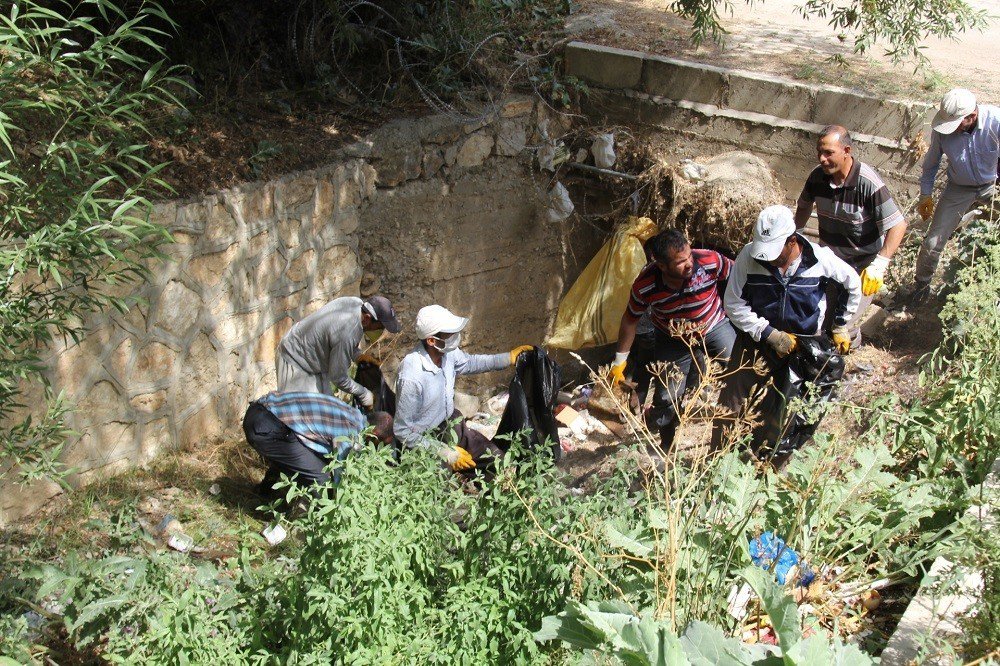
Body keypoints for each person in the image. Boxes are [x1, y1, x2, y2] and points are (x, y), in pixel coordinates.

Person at [713, 205, 861, 457]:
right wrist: (769, 333)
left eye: (774, 252)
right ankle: (716, 458)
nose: (767, 258)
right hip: (758, 340)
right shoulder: (749, 257)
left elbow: (852, 283)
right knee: (731, 403)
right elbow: (733, 303)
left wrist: (839, 325)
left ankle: (764, 464)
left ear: (792, 241)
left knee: (786, 408)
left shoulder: (820, 259)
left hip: (801, 347)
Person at [609, 229, 736, 448]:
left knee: (740, 371)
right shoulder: (646, 284)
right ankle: (666, 447)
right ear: (661, 265)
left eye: (689, 256)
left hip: (714, 325)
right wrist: (619, 362)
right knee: (668, 396)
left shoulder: (708, 259)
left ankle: (734, 437)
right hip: (672, 338)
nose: (689, 264)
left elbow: (739, 275)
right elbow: (630, 320)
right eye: (680, 262)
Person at [794, 125, 906, 347]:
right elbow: (804, 206)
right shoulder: (817, 178)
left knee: (844, 326)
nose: (822, 159)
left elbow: (898, 225)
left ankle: (846, 360)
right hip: (832, 261)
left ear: (847, 151)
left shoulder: (866, 182)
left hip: (863, 264)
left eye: (828, 153)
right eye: (819, 152)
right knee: (820, 321)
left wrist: (880, 264)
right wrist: (795, 233)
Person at [394, 304, 533, 473]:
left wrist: (507, 358)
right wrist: (442, 451)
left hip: (448, 424)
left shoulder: (446, 352)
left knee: (496, 461)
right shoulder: (412, 375)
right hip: (423, 440)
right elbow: (403, 432)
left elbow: (469, 363)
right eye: (450, 334)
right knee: (444, 490)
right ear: (431, 340)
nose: (455, 337)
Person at [912, 88, 1000, 303]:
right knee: (932, 243)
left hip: (993, 184)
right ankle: (921, 287)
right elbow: (931, 166)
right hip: (959, 188)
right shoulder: (943, 131)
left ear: (972, 116)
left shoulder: (995, 122)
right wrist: (925, 195)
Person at [243, 391, 394, 494]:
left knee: (300, 455)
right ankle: (315, 527)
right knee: (322, 479)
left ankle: (263, 492)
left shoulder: (353, 414)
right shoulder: (352, 434)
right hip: (264, 427)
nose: (376, 450)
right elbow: (339, 473)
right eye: (379, 445)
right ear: (373, 436)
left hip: (260, 411)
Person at [276, 295, 401, 409]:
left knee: (325, 411)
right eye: (380, 327)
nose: (381, 331)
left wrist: (358, 356)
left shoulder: (355, 303)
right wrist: (363, 394)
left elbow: (335, 339)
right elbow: (338, 378)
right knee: (301, 417)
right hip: (295, 360)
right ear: (367, 319)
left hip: (314, 362)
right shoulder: (348, 332)